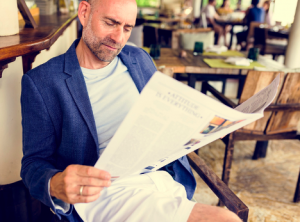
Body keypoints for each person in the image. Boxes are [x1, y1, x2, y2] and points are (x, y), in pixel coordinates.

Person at [20, 0, 242, 221]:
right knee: (226, 219)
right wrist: (55, 183)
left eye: (127, 28)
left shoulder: (139, 59)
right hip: (108, 194)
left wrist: (199, 129)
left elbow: (161, 116)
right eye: (110, 23)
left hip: (163, 180)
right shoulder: (42, 82)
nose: (119, 38)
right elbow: (33, 164)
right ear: (85, 12)